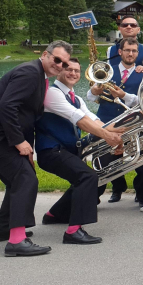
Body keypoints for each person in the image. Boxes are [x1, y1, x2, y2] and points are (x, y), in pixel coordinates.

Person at [0, 40, 70, 256]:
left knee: (18, 178)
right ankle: (16, 241)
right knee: (25, 179)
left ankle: (3, 229)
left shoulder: (39, 76)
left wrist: (27, 148)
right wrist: (18, 141)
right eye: (57, 59)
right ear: (45, 55)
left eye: (65, 64)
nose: (60, 66)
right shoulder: (30, 72)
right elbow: (7, 106)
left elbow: (25, 115)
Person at [36, 57, 124, 244]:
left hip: (64, 150)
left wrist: (121, 129)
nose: (73, 73)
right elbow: (79, 119)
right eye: (68, 69)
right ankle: (73, 231)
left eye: (77, 70)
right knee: (88, 177)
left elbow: (93, 119)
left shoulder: (77, 98)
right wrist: (107, 136)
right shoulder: (52, 93)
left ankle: (54, 215)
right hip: (51, 151)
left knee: (89, 177)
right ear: (59, 71)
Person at [88, 38, 143, 205]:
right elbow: (90, 97)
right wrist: (94, 90)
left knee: (140, 160)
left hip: (131, 123)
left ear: (137, 54)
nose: (130, 54)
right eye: (127, 50)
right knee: (101, 161)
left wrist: (124, 96)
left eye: (134, 51)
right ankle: (93, 198)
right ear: (120, 52)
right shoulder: (107, 70)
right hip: (106, 121)